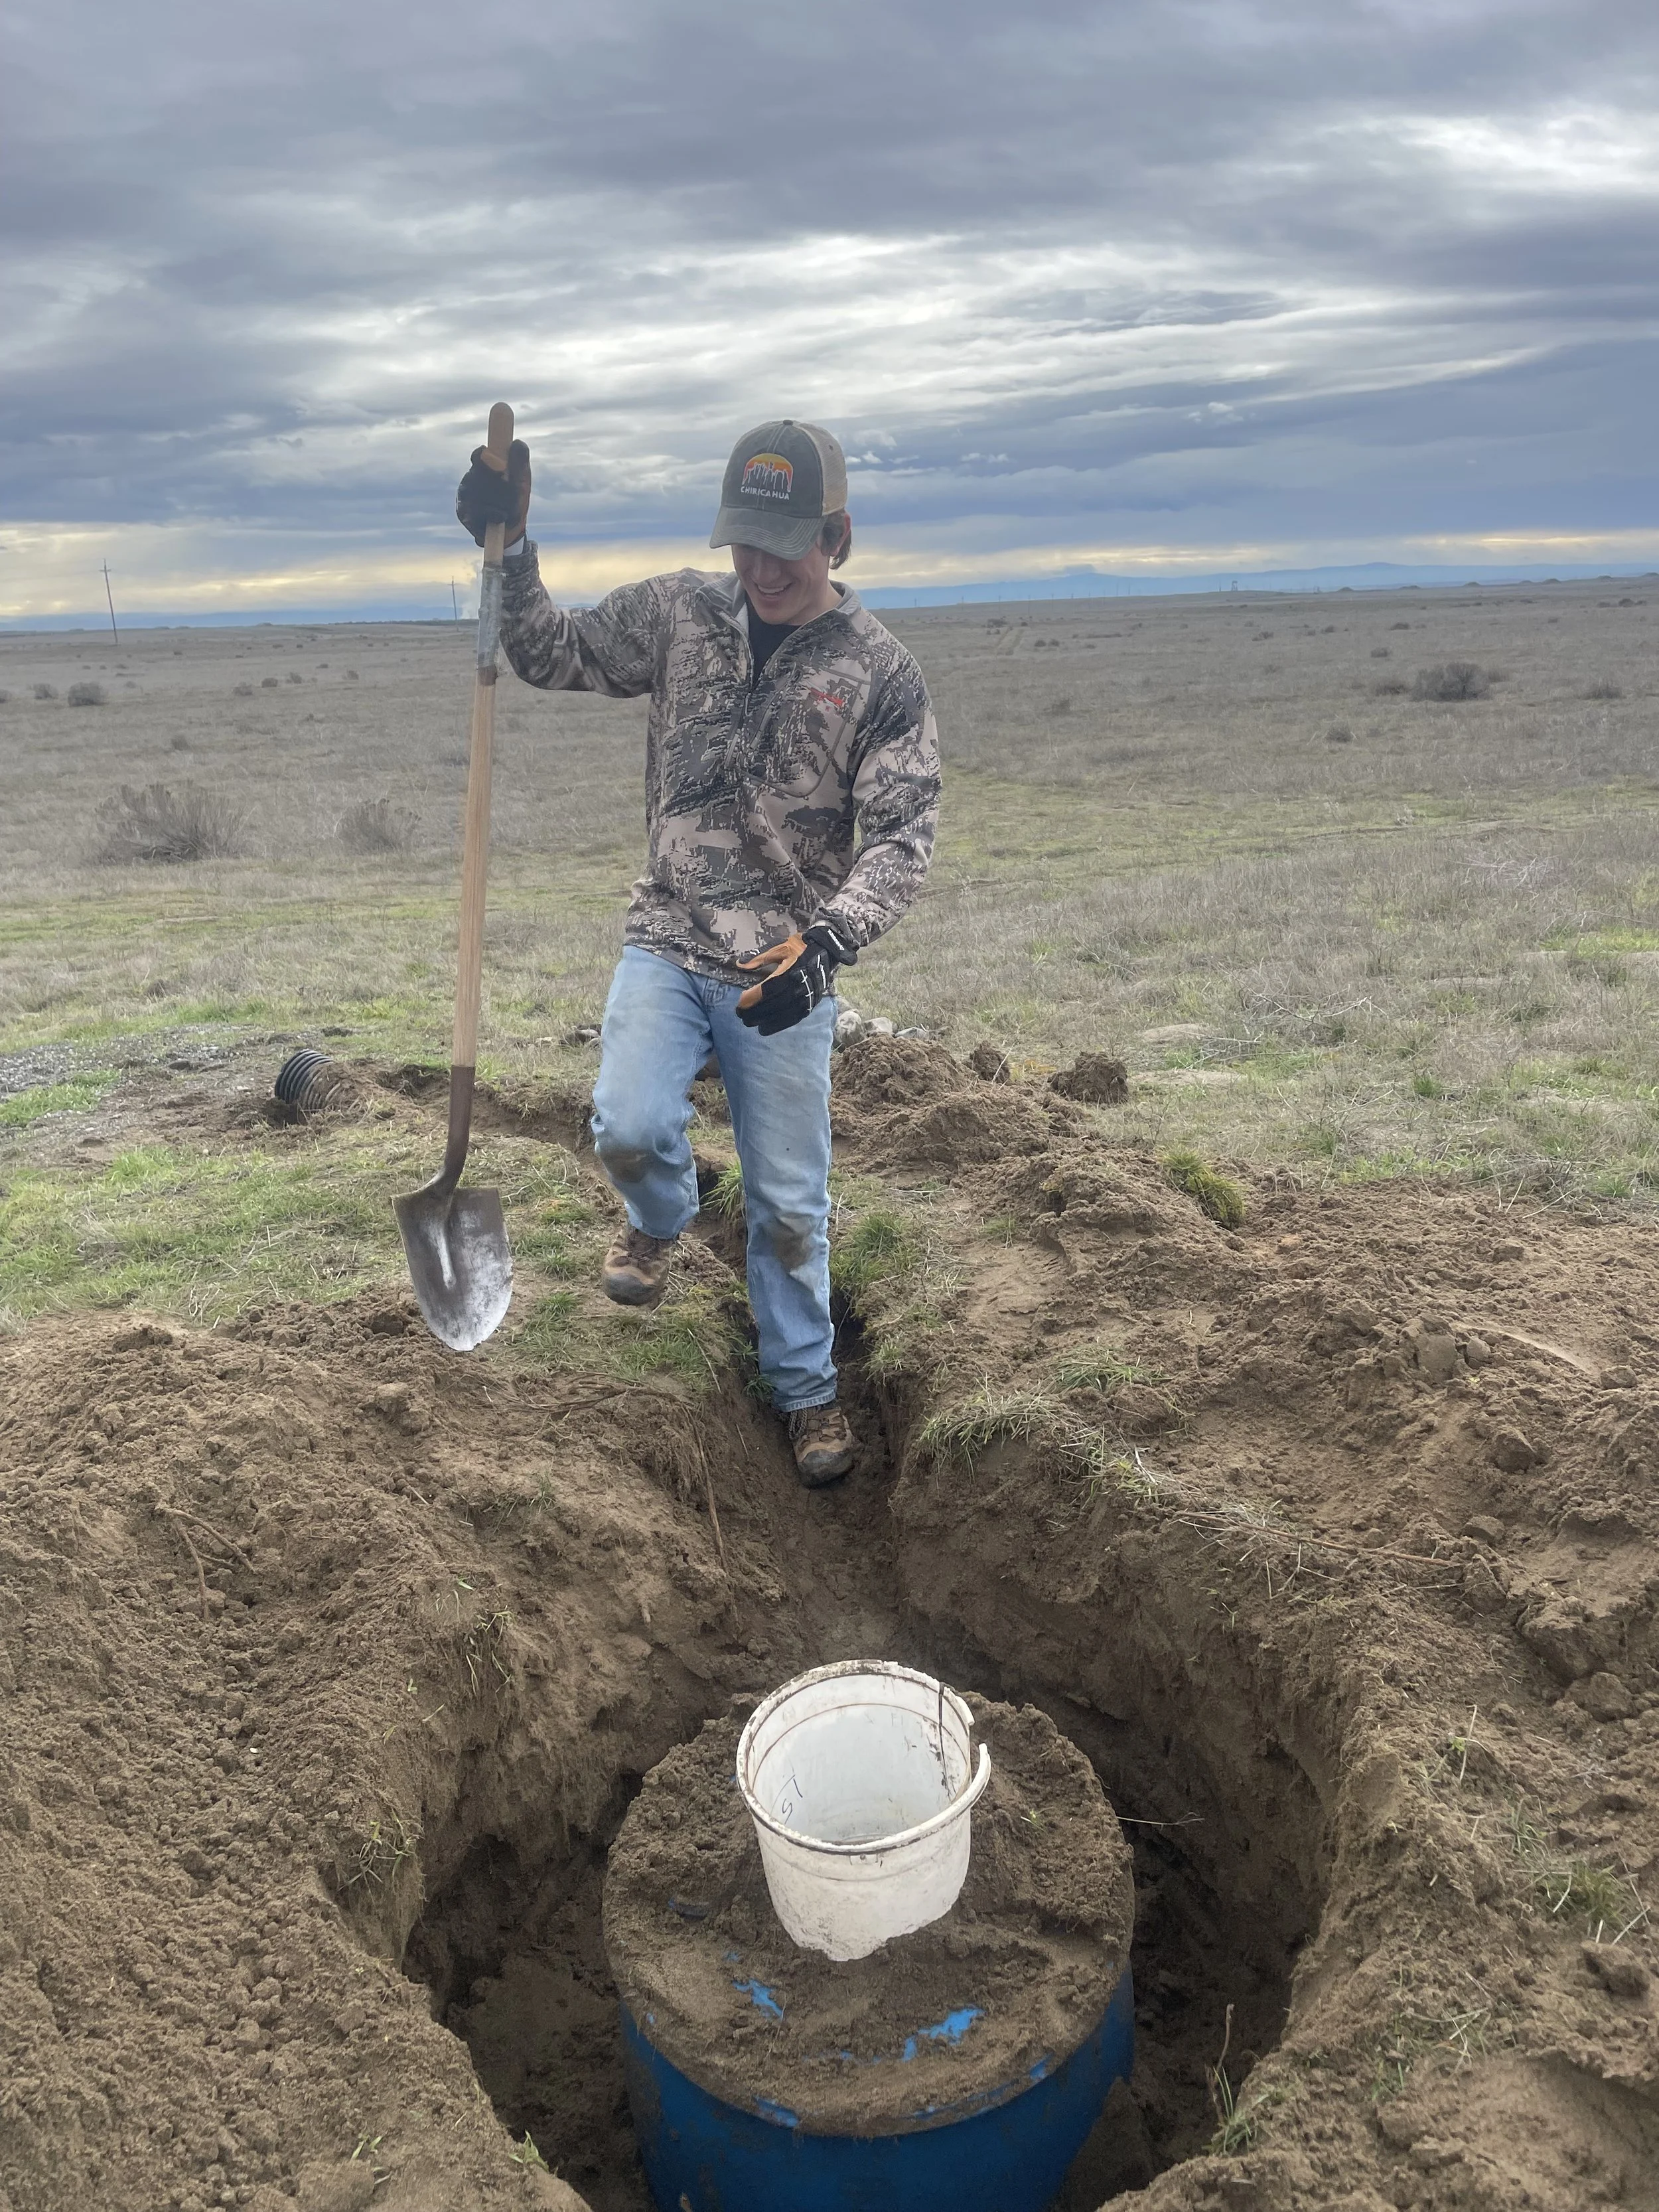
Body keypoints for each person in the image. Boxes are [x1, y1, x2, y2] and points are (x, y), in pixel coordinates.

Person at [456, 419, 941, 1487]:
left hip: (784, 966)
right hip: (669, 933)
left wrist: (829, 945)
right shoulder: (680, 612)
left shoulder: (881, 675)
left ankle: (806, 1390)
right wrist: (512, 550)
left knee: (788, 1207)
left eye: (787, 545)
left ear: (839, 536)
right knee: (627, 1123)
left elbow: (906, 836)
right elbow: (559, 652)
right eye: (745, 544)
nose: (763, 569)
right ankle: (660, 1222)